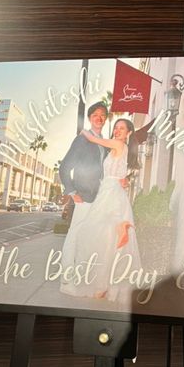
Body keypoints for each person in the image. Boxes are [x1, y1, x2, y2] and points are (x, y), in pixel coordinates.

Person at [63, 118, 141, 304]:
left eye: (122, 128)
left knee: (99, 236)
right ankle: (105, 285)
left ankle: (102, 285)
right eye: (116, 127)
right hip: (110, 192)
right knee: (107, 239)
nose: (117, 130)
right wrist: (124, 180)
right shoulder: (121, 148)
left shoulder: (117, 144)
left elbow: (94, 139)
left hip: (110, 195)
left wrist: (84, 131)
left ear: (129, 133)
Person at [58, 101, 108, 295]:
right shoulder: (82, 139)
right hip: (84, 197)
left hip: (100, 199)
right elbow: (65, 167)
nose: (99, 118)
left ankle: (82, 277)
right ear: (89, 118)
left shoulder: (104, 142)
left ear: (105, 119)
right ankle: (66, 281)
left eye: (102, 115)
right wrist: (72, 192)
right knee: (74, 237)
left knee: (89, 239)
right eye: (95, 114)